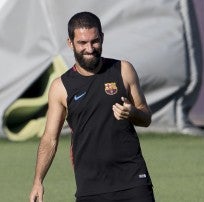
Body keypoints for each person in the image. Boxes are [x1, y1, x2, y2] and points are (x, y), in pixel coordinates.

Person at [29, 12, 155, 202]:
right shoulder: (60, 87)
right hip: (90, 186)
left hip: (133, 180)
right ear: (70, 43)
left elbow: (146, 117)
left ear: (102, 38)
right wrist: (38, 181)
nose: (90, 48)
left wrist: (133, 113)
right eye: (82, 43)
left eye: (95, 41)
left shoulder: (123, 70)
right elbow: (49, 139)